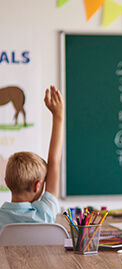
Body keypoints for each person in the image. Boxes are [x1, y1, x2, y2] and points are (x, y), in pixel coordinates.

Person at [0, 86, 64, 229]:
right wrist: (58, 116)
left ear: (6, 182)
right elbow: (54, 162)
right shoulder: (45, 213)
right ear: (38, 185)